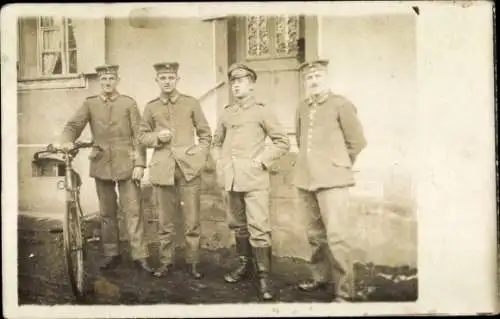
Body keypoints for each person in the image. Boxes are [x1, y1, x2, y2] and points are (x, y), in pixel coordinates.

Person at [58, 64, 153, 273]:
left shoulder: (128, 103)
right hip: (101, 163)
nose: (107, 83)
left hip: (126, 163)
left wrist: (139, 163)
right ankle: (112, 254)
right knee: (106, 212)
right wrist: (66, 140)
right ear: (99, 82)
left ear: (117, 80)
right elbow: (73, 125)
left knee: (133, 211)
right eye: (103, 79)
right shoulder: (90, 104)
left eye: (111, 78)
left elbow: (139, 135)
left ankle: (140, 255)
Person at [212, 63, 290, 301]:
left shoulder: (262, 112)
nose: (236, 86)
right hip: (232, 179)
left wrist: (261, 162)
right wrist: (220, 163)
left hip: (255, 179)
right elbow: (216, 142)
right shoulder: (227, 113)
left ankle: (264, 277)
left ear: (252, 85)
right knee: (238, 225)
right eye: (233, 82)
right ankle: (244, 267)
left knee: (259, 227)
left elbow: (282, 142)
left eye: (241, 81)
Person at [293, 59, 367, 302]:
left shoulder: (341, 105)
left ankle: (344, 292)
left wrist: (339, 166)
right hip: (306, 178)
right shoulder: (302, 107)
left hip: (333, 180)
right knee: (314, 235)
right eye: (309, 78)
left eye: (318, 76)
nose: (313, 81)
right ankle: (320, 279)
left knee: (337, 237)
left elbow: (356, 142)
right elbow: (300, 140)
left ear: (327, 79)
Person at [138, 62, 212, 279]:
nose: (167, 81)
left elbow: (206, 134)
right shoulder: (151, 107)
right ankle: (166, 262)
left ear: (178, 79)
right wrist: (156, 138)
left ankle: (193, 262)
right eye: (163, 78)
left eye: (171, 77)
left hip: (188, 169)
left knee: (192, 220)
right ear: (157, 81)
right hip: (163, 170)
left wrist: (198, 155)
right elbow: (141, 136)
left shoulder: (191, 103)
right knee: (164, 220)